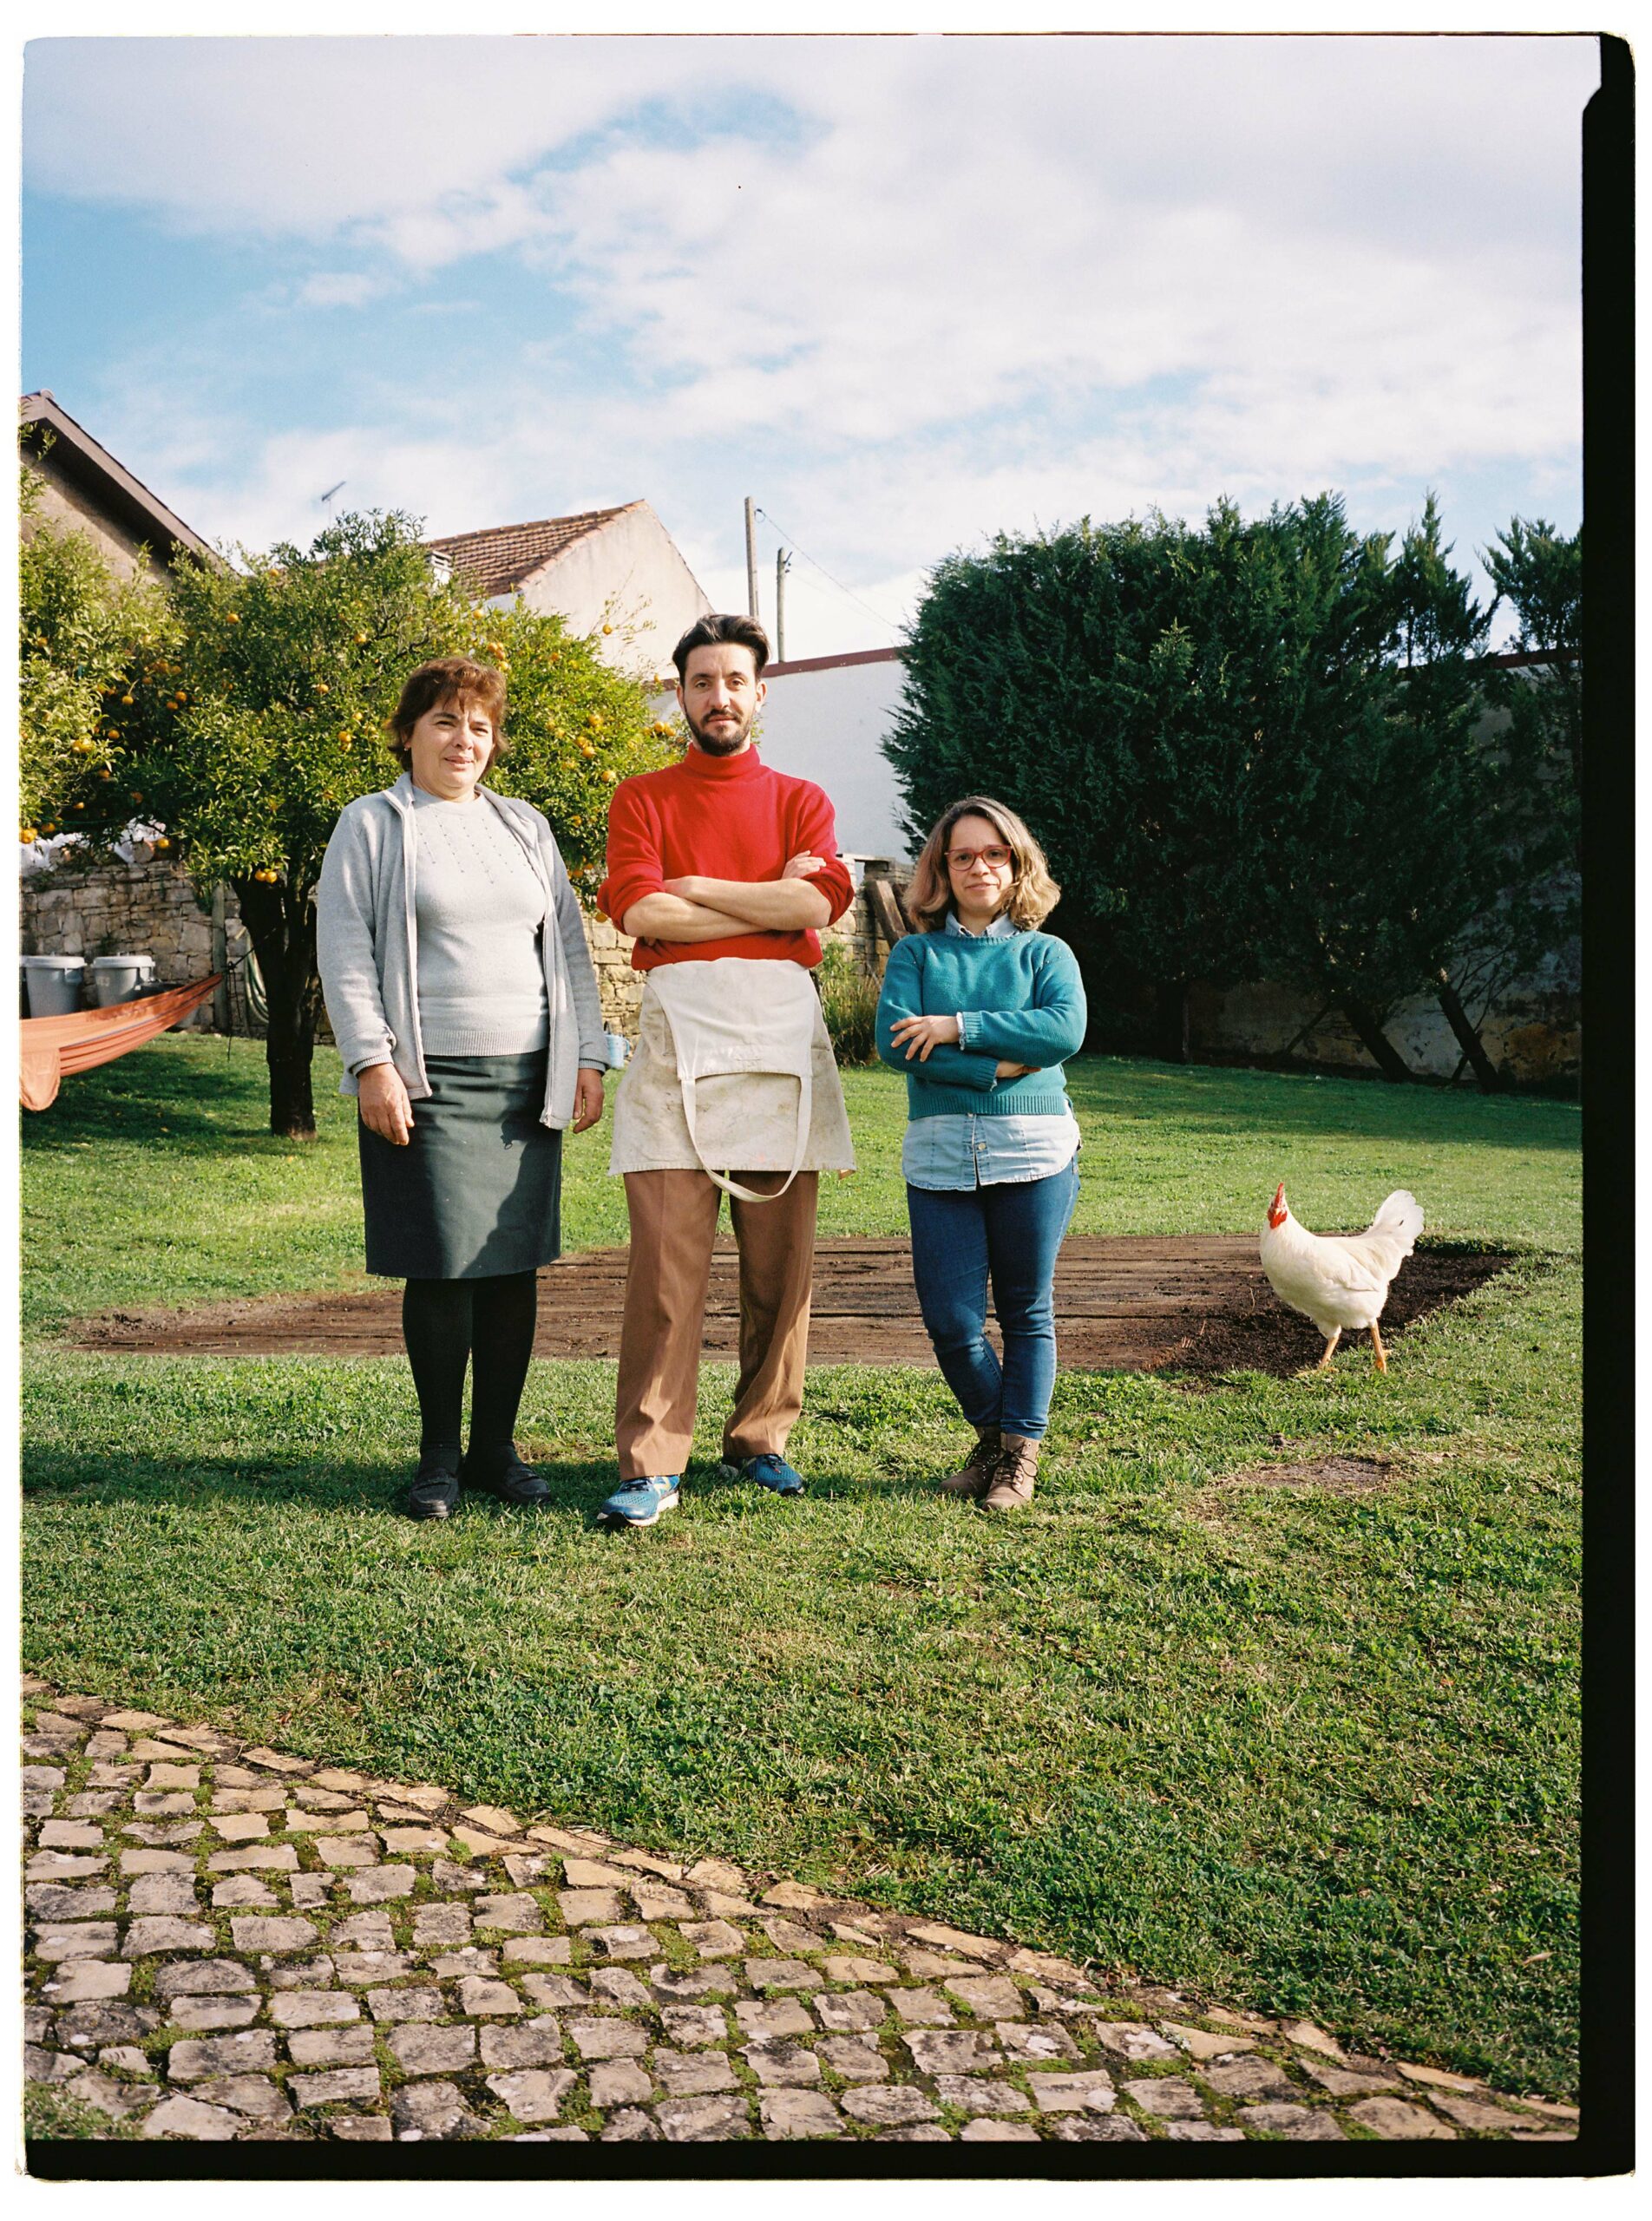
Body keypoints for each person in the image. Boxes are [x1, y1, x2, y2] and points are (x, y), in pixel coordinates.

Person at [317, 656, 607, 1521]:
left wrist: (587, 1055)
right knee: (443, 1268)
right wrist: (372, 1062)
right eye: (445, 721)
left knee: (512, 1267)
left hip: (527, 1079)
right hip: (428, 1079)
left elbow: (567, 948)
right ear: (408, 732)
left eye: (479, 726)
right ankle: (438, 1458)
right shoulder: (372, 824)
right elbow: (345, 950)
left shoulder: (524, 826)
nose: (462, 739)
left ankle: (495, 1451)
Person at [594, 613, 856, 1530]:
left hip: (779, 1047)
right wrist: (768, 913)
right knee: (665, 1271)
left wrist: (696, 887)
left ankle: (760, 1440)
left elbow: (818, 898)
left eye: (733, 680)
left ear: (759, 695)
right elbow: (640, 911)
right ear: (680, 695)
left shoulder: (802, 798)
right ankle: (649, 1461)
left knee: (780, 1270)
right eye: (700, 681)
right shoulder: (642, 797)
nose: (718, 697)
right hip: (678, 1045)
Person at [875, 796, 1086, 1511]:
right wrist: (993, 1067)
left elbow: (1061, 1031)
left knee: (1027, 1310)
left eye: (994, 853)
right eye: (962, 855)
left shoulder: (1045, 953)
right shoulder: (916, 953)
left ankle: (1016, 1458)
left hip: (1034, 1152)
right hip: (939, 1157)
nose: (979, 867)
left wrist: (955, 1026)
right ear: (942, 869)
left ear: (1017, 863)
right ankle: (1000, 1437)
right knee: (952, 1321)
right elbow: (896, 1044)